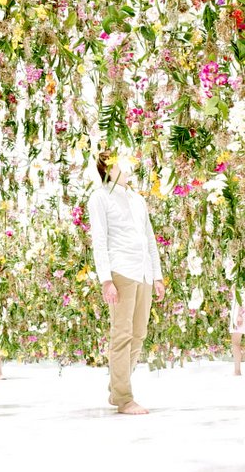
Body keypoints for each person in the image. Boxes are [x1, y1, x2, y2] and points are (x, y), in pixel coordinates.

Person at [88, 149, 165, 415]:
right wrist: (106, 280)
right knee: (121, 335)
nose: (130, 163)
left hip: (142, 271)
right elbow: (99, 240)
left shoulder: (136, 198)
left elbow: (149, 238)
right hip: (121, 270)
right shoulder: (99, 198)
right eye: (122, 160)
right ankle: (124, 398)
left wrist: (157, 275)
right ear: (109, 167)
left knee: (139, 334)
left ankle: (116, 387)